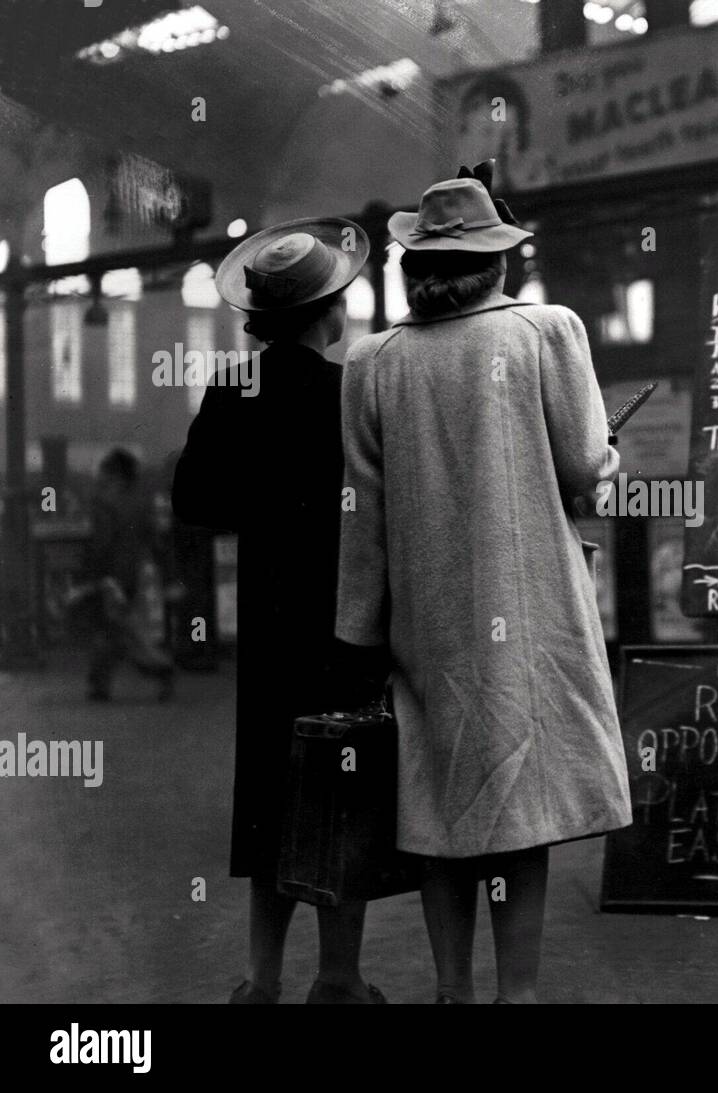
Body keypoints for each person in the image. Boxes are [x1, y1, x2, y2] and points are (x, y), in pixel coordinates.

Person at [335, 165, 632, 1004]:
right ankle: (520, 995)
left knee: (438, 806)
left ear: (414, 270)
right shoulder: (548, 332)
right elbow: (584, 468)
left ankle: (453, 991)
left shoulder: (371, 361)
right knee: (523, 805)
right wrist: (608, 451)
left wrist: (357, 630)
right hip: (530, 605)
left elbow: (362, 510)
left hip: (423, 621)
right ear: (498, 263)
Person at [172, 218, 389, 1004]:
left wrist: (262, 503)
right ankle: (339, 977)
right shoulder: (352, 387)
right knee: (344, 793)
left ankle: (261, 978)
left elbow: (193, 499)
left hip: (267, 623)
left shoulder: (233, 386)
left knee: (268, 792)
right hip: (346, 619)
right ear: (328, 312)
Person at [80, 448, 175, 702]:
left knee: (117, 632)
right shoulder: (141, 502)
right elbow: (154, 541)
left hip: (110, 575)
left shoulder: (104, 501)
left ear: (115, 475)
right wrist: (169, 575)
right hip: (129, 575)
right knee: (116, 631)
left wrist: (90, 573)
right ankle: (101, 682)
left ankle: (159, 669)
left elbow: (101, 543)